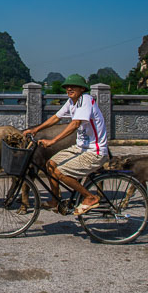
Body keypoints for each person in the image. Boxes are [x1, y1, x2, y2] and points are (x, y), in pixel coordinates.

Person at [23, 74, 109, 215]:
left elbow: (75, 124)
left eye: (73, 86)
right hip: (80, 148)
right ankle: (55, 200)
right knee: (50, 165)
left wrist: (53, 141)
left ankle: (90, 197)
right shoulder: (72, 102)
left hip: (94, 152)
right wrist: (36, 130)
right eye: (67, 87)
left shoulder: (86, 100)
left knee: (60, 172)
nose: (69, 89)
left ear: (82, 89)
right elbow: (56, 117)